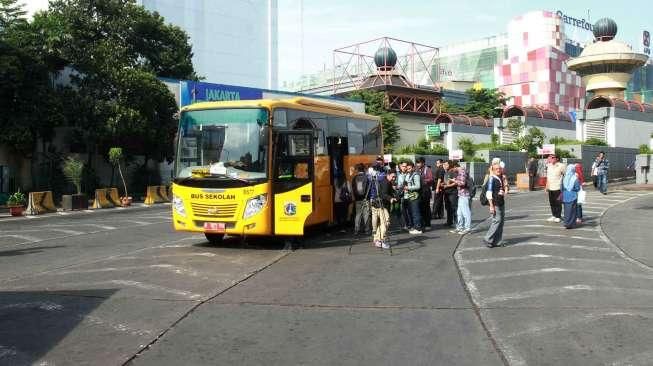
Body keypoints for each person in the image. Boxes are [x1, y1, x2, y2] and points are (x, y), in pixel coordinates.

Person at [371, 170, 397, 249]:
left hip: (377, 204)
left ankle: (377, 239)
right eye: (393, 177)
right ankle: (381, 240)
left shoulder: (385, 181)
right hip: (382, 205)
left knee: (381, 223)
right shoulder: (386, 182)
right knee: (386, 222)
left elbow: (384, 192)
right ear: (388, 175)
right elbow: (383, 194)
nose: (394, 178)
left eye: (395, 177)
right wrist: (390, 198)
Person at [484, 162, 506, 248]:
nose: (498, 170)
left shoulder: (500, 177)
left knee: (501, 222)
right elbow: (489, 193)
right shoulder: (491, 179)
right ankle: (488, 238)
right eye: (496, 169)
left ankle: (497, 241)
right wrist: (491, 206)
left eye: (499, 168)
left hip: (501, 202)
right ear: (492, 170)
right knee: (497, 221)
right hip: (495, 203)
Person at [351, 164, 371, 235]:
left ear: (357, 170)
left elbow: (352, 189)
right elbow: (369, 188)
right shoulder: (367, 178)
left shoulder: (354, 178)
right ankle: (367, 230)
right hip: (366, 199)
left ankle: (356, 230)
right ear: (364, 169)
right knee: (366, 214)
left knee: (358, 214)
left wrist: (354, 197)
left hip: (357, 199)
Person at [404, 161, 422, 234]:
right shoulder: (408, 175)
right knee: (412, 212)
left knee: (415, 213)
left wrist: (408, 187)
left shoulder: (415, 175)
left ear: (413, 168)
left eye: (410, 168)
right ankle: (415, 226)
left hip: (415, 196)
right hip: (410, 196)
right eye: (407, 168)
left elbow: (418, 186)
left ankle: (418, 228)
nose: (408, 169)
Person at [545, 155, 565, 223]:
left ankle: (558, 216)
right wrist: (546, 186)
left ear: (557, 159)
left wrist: (564, 185)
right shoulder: (549, 166)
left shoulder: (561, 165)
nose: (551, 159)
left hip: (558, 187)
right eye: (551, 158)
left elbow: (565, 174)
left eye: (553, 158)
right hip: (550, 187)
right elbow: (548, 177)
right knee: (552, 202)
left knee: (558, 202)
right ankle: (554, 215)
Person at [416, 157, 434, 230]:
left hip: (426, 191)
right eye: (417, 163)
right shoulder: (417, 169)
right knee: (420, 208)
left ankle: (428, 224)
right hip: (419, 191)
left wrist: (422, 180)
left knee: (426, 208)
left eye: (419, 163)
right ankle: (422, 223)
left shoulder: (427, 169)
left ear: (423, 163)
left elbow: (431, 179)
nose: (417, 164)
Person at [561, 164, 581, 229]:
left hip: (565, 196)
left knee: (566, 211)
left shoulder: (564, 178)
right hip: (573, 196)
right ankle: (572, 224)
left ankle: (566, 223)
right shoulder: (575, 178)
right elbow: (578, 188)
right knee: (573, 211)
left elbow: (561, 188)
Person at [454, 164, 472, 234]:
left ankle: (467, 228)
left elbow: (462, 183)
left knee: (466, 213)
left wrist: (455, 181)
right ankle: (460, 227)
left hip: (464, 194)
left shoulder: (462, 172)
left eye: (452, 168)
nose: (452, 170)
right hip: (461, 194)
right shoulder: (461, 172)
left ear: (455, 166)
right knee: (459, 213)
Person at [442, 160, 459, 227]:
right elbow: (447, 181)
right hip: (446, 192)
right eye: (444, 165)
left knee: (454, 207)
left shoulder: (453, 172)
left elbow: (456, 182)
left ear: (450, 165)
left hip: (453, 193)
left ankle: (456, 222)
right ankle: (449, 222)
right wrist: (443, 184)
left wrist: (448, 185)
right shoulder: (446, 172)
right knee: (448, 208)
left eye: (446, 165)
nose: (444, 166)